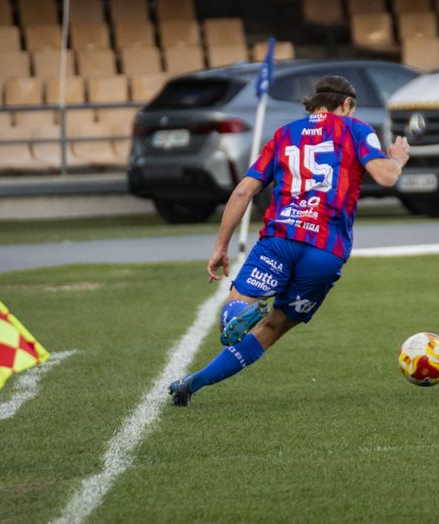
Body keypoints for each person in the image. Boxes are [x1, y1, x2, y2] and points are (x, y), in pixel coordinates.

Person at [168, 76, 409, 406]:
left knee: (237, 306)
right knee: (272, 328)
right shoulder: (354, 128)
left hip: (280, 238)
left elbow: (243, 191)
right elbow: (386, 176)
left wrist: (221, 246)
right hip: (326, 251)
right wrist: (396, 157)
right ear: (348, 104)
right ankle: (193, 384)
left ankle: (238, 317)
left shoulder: (284, 135)